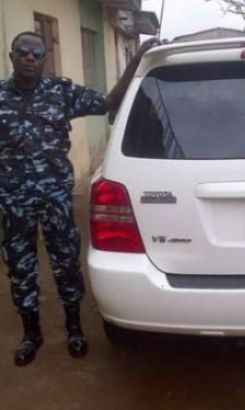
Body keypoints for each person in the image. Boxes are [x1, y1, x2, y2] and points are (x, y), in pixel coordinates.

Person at [0, 31, 159, 366]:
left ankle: (74, 329)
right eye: (23, 52)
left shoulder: (60, 92)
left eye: (37, 53)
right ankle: (31, 334)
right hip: (13, 200)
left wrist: (136, 60)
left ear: (45, 59)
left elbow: (108, 102)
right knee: (20, 266)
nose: (30, 58)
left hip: (56, 197)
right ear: (12, 56)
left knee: (65, 262)